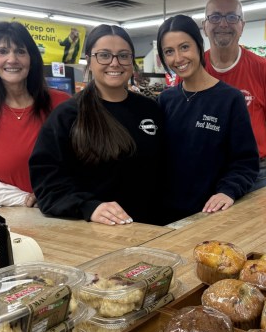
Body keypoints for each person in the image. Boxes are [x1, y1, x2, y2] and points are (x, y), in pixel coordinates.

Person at [29, 24, 165, 225]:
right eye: (104, 55)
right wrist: (89, 207)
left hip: (153, 228)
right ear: (89, 61)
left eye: (123, 55)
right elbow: (48, 185)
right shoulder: (67, 115)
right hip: (97, 234)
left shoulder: (150, 109)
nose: (114, 63)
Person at [0, 21, 69, 207]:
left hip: (66, 214)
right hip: (10, 224)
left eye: (20, 51)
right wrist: (24, 199)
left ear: (31, 58)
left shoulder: (62, 105)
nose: (12, 59)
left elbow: (84, 162)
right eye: (2, 51)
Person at [157, 14, 258, 219]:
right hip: (166, 216)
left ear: (198, 45)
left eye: (184, 47)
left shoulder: (230, 99)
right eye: (169, 51)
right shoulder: (165, 100)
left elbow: (245, 162)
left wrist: (228, 191)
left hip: (210, 214)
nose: (178, 58)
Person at [203, 0, 266, 190]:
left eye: (232, 17)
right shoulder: (193, 69)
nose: (223, 23)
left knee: (258, 222)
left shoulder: (264, 69)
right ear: (204, 25)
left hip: (254, 175)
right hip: (205, 171)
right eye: (215, 17)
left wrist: (250, 154)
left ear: (242, 26)